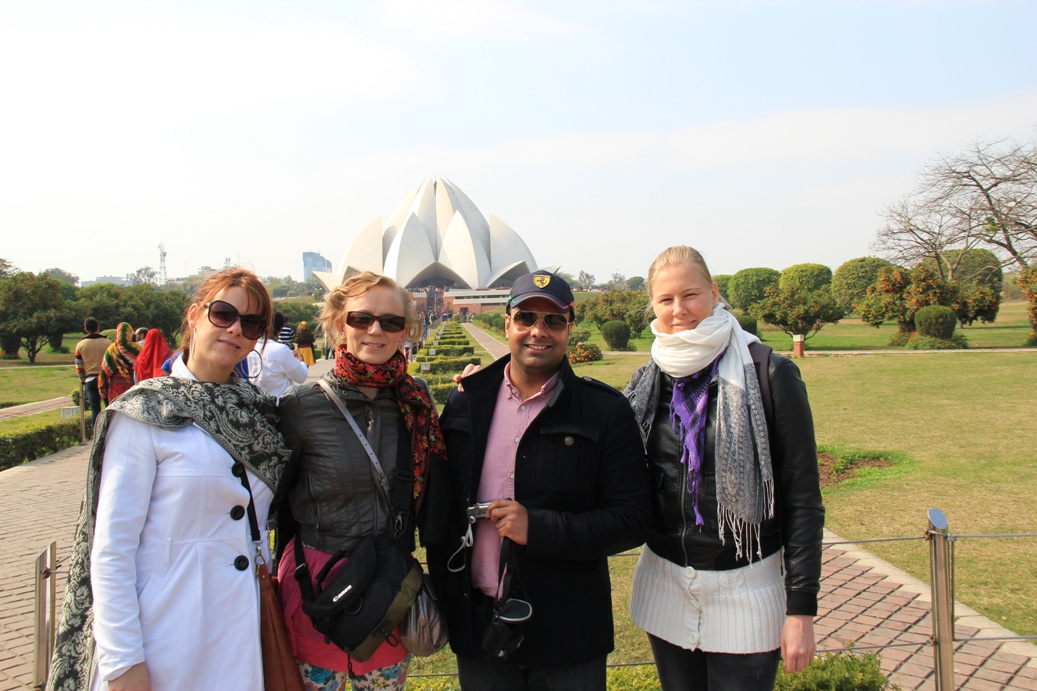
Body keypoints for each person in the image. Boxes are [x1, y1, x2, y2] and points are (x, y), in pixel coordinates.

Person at [47, 267, 293, 691]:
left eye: (251, 324)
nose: (236, 329)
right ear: (195, 316)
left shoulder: (261, 414)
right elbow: (111, 550)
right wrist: (123, 663)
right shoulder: (147, 413)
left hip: (242, 630)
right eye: (223, 314)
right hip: (167, 636)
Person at [422, 270, 651, 690]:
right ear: (507, 323)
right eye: (526, 317)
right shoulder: (466, 401)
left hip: (567, 628)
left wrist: (539, 528)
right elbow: (439, 502)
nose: (537, 332)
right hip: (479, 625)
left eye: (553, 321)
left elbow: (633, 518)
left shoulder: (604, 411)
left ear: (570, 327)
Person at [624, 246, 825, 690]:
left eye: (691, 295)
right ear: (653, 305)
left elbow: (803, 499)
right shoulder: (647, 381)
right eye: (666, 300)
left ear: (714, 293)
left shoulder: (770, 375)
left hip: (746, 592)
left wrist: (801, 610)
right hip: (666, 585)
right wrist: (483, 389)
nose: (680, 310)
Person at [273, 271, 445, 690]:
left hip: (388, 589)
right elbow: (276, 502)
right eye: (360, 319)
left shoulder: (415, 401)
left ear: (406, 331)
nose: (375, 330)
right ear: (338, 326)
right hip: (316, 586)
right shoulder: (301, 407)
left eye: (390, 322)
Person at [250, 311, 309, 401]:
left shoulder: (249, 348)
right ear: (279, 329)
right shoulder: (281, 350)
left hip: (255, 404)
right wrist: (300, 359)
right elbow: (301, 377)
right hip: (279, 405)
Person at [74, 317, 108, 423]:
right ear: (98, 327)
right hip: (106, 379)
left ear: (85, 329)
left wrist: (83, 380)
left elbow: (79, 366)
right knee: (109, 408)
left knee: (95, 410)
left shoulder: (80, 345)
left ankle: (96, 435)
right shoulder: (107, 343)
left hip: (90, 379)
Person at [98, 322, 140, 406]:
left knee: (116, 412)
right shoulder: (137, 349)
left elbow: (104, 371)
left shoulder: (111, 349)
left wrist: (101, 387)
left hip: (115, 387)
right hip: (133, 386)